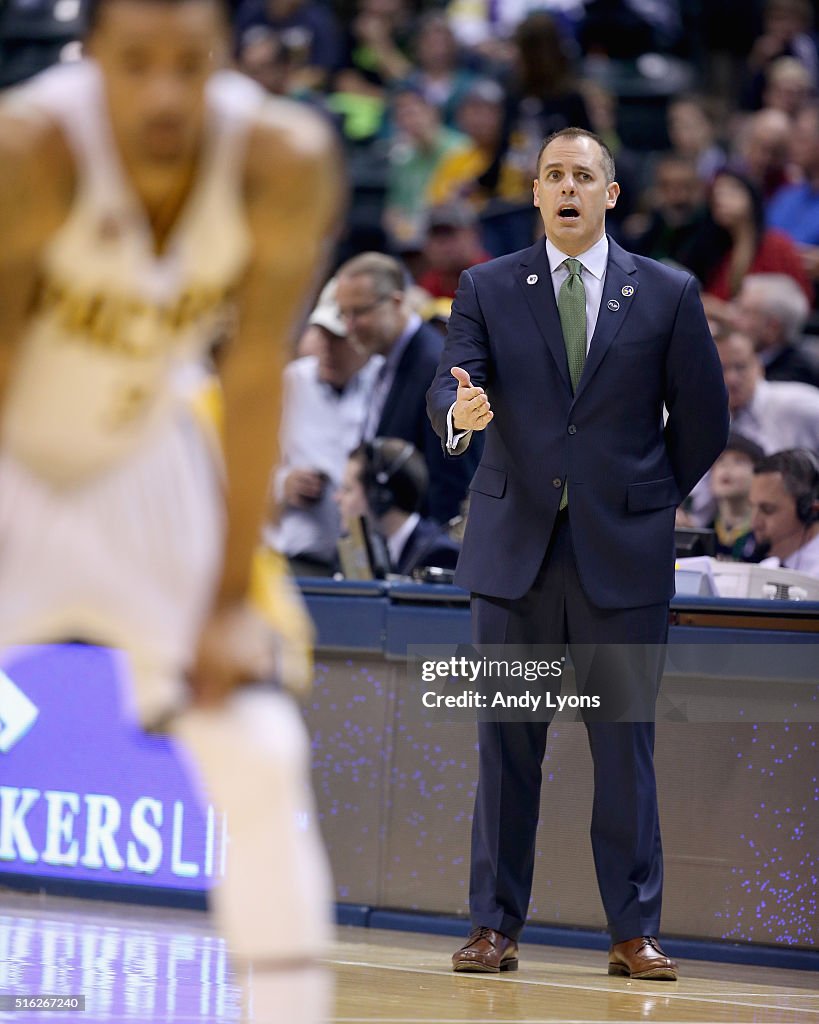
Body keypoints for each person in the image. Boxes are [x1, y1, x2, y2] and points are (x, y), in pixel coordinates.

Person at [0, 1, 341, 1021]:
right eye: (135, 63)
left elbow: (250, 384)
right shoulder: (30, 149)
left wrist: (231, 596)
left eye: (189, 65)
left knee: (259, 749)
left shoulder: (282, 160)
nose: (163, 92)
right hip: (14, 450)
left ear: (228, 58)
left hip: (149, 453)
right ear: (89, 55)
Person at [426, 127, 728, 979]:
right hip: (513, 552)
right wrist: (460, 416)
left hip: (619, 560)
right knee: (505, 749)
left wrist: (643, 497)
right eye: (552, 174)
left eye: (582, 175)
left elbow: (701, 418)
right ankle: (494, 926)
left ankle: (632, 933)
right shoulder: (485, 285)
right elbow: (453, 380)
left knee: (622, 750)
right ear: (533, 194)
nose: (566, 186)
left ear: (609, 194)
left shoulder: (666, 292)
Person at [335, 251, 480, 524]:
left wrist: (432, 555)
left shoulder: (435, 367)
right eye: (343, 313)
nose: (349, 326)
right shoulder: (381, 358)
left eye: (359, 312)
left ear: (396, 302)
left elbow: (451, 480)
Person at [266, 281, 382, 576]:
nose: (328, 348)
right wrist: (284, 484)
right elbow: (239, 469)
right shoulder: (287, 383)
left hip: (360, 560)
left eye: (339, 338)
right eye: (323, 335)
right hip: (295, 556)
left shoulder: (379, 383)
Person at [335, 438, 460, 576]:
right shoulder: (364, 549)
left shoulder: (439, 555)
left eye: (347, 489)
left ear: (380, 497)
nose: (337, 498)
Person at [733, 273, 819, 387]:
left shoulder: (791, 379)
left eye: (744, 312)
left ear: (772, 328)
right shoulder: (742, 359)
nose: (733, 318)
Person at [749, 449, 819, 575]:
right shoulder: (767, 569)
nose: (754, 523)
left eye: (767, 510)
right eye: (752, 507)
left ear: (806, 510)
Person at [708, 433, 766, 560]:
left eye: (739, 461)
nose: (726, 468)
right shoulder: (704, 530)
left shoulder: (765, 534)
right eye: (720, 460)